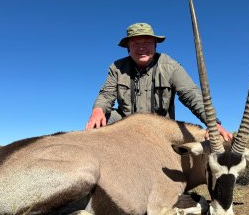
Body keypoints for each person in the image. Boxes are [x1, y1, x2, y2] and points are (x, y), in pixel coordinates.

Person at [85, 22, 232, 141]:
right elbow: (106, 95)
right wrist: (98, 110)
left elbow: (192, 95)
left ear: (155, 45)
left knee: (200, 139)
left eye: (147, 42)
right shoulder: (117, 67)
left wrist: (213, 124)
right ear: (128, 48)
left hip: (160, 127)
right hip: (126, 123)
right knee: (97, 124)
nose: (141, 47)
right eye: (135, 43)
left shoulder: (171, 66)